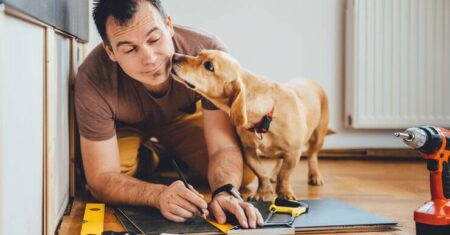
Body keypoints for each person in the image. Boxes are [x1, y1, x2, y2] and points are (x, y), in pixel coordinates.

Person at [75, 0, 264, 228]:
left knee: (244, 174)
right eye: (129, 49)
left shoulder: (206, 53)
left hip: (180, 118)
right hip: (125, 126)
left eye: (154, 39)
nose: (150, 59)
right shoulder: (92, 77)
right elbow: (101, 178)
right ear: (110, 51)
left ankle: (164, 152)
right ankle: (154, 153)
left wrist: (225, 192)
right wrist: (157, 195)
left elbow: (222, 147)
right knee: (120, 173)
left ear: (169, 25)